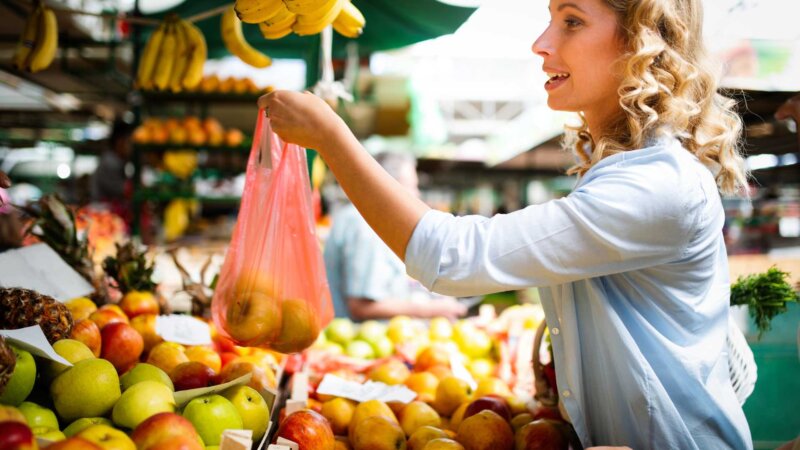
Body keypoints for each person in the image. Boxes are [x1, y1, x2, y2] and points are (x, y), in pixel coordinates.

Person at [259, 0, 752, 447]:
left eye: (572, 21)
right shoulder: (630, 174)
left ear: (641, 42)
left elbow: (452, 257)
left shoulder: (656, 185)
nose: (541, 43)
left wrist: (330, 136)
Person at [324, 151, 467, 321]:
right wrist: (431, 310)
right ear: (391, 187)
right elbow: (361, 306)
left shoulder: (365, 218)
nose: (417, 194)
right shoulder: (366, 225)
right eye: (413, 186)